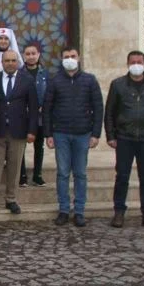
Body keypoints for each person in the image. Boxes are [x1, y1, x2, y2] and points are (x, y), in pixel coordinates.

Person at [105, 50, 144, 231]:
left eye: (139, 61)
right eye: (133, 61)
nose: (136, 64)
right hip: (124, 138)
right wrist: (110, 135)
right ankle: (119, 212)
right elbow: (110, 112)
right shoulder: (118, 85)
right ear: (127, 64)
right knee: (122, 176)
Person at [44, 46, 103, 228]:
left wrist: (95, 134)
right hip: (60, 133)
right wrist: (48, 134)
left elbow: (98, 107)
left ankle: (79, 211)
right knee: (62, 173)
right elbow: (47, 108)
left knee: (80, 173)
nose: (70, 59)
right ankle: (63, 210)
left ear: (78, 58)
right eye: (66, 56)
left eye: (73, 56)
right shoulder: (54, 80)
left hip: (82, 134)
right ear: (61, 59)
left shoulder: (89, 80)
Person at [0, 50, 38, 215]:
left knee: (14, 167)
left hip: (18, 131)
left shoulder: (27, 81)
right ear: (2, 62)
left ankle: (11, 199)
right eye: (7, 60)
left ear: (18, 62)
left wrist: (32, 131)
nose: (10, 63)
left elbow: (34, 108)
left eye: (13, 60)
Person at [19, 44, 48, 187]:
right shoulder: (19, 73)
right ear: (24, 55)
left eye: (33, 53)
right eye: (28, 53)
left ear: (38, 55)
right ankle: (22, 175)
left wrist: (44, 106)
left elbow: (49, 94)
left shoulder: (45, 74)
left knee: (39, 145)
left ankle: (37, 174)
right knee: (21, 146)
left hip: (40, 116)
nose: (31, 56)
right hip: (23, 116)